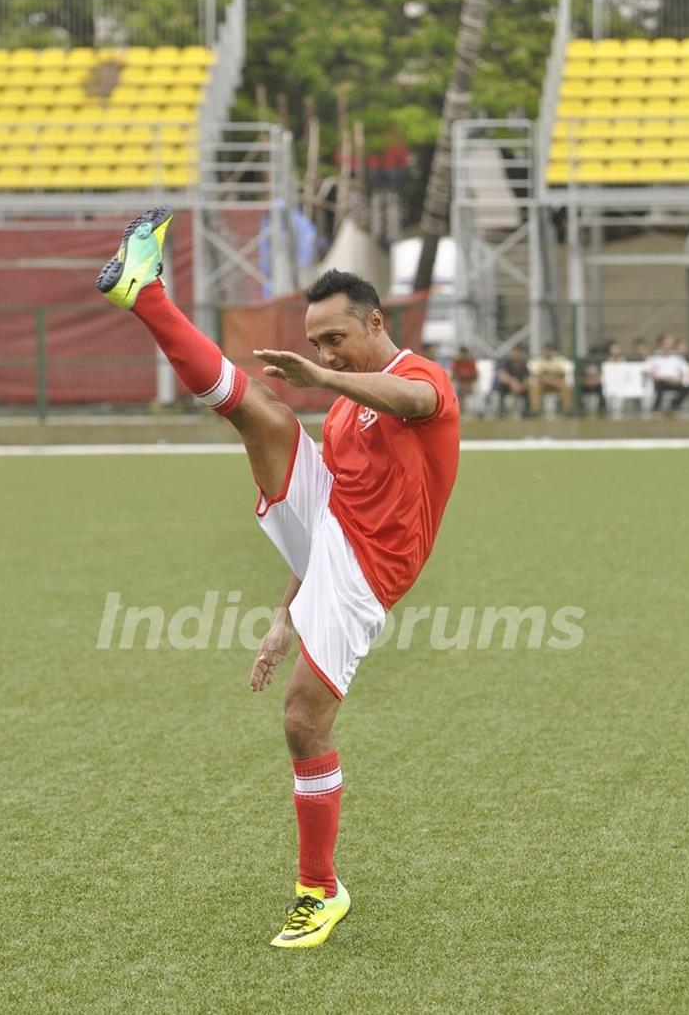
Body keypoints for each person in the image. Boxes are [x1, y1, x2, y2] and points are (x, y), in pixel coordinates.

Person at [94, 208, 460, 949]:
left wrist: (325, 377)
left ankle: (320, 892)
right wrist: (282, 616)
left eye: (337, 339)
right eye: (316, 341)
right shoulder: (344, 414)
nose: (325, 351)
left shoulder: (419, 377)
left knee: (301, 719)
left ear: (376, 322)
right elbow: (327, 523)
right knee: (262, 417)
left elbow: (416, 404)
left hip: (371, 569)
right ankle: (145, 295)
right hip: (336, 538)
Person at [647, 332, 689, 414]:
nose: (667, 345)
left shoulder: (677, 357)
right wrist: (664, 378)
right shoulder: (653, 357)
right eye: (665, 343)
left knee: (685, 388)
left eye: (669, 343)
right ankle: (656, 409)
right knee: (659, 387)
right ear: (660, 344)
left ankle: (673, 407)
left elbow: (684, 370)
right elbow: (649, 373)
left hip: (675, 382)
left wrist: (679, 379)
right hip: (660, 382)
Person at [527, 343, 573, 415]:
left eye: (549, 350)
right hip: (543, 384)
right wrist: (550, 380)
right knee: (534, 386)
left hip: (556, 383)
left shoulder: (559, 359)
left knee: (565, 385)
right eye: (546, 350)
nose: (547, 352)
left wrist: (553, 380)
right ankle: (535, 410)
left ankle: (567, 410)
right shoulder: (538, 360)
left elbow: (563, 374)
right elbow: (537, 376)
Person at [496, 345, 530, 416]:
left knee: (527, 391)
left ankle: (527, 411)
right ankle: (501, 411)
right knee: (501, 388)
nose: (515, 354)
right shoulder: (506, 363)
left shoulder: (523, 364)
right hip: (508, 386)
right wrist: (512, 382)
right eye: (514, 351)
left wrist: (522, 386)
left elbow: (526, 378)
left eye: (517, 352)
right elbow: (501, 375)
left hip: (521, 387)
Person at [451, 346, 478, 410]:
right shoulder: (456, 362)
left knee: (474, 389)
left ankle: (475, 410)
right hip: (459, 382)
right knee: (457, 389)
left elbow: (475, 374)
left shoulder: (471, 361)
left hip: (470, 382)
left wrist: (469, 382)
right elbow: (454, 374)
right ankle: (458, 407)